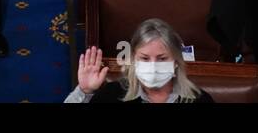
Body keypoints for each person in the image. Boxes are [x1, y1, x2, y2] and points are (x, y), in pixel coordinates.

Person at [66, 19, 214, 103]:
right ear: (133, 59)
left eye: (162, 58)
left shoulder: (199, 99)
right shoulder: (112, 94)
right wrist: (84, 91)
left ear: (176, 61)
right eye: (144, 58)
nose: (153, 65)